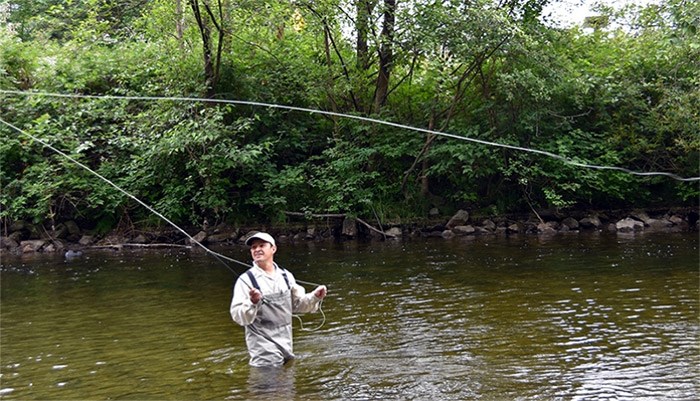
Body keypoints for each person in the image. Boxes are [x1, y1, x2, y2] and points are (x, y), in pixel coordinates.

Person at [230, 232, 327, 367]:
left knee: (286, 386)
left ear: (273, 249)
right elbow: (238, 317)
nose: (257, 249)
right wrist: (252, 302)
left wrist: (315, 296)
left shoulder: (286, 276)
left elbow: (298, 305)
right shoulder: (245, 280)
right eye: (253, 247)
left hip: (286, 345)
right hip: (262, 350)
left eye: (262, 245)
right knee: (271, 386)